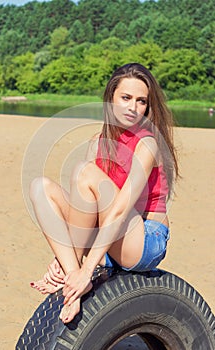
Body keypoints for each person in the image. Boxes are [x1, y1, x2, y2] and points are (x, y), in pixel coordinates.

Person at [29, 63, 179, 324]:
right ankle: (71, 274)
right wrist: (65, 260)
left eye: (141, 101)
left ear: (148, 106)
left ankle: (77, 274)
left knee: (83, 171)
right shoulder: (97, 142)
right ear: (111, 98)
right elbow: (84, 212)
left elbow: (120, 209)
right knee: (40, 188)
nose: (133, 107)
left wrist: (88, 270)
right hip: (109, 239)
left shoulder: (148, 143)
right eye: (125, 98)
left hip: (144, 239)